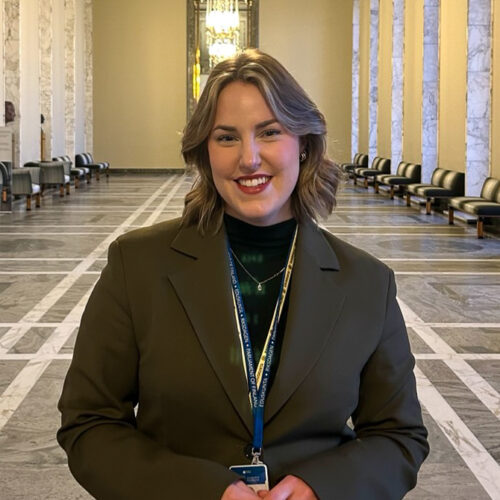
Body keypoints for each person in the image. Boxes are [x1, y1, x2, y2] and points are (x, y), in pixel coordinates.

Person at [57, 49, 429, 499]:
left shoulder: (366, 283)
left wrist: (322, 488)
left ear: (304, 143)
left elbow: (399, 436)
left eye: (269, 132)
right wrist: (202, 491)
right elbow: (90, 423)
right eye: (227, 137)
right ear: (205, 152)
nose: (249, 158)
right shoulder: (136, 265)